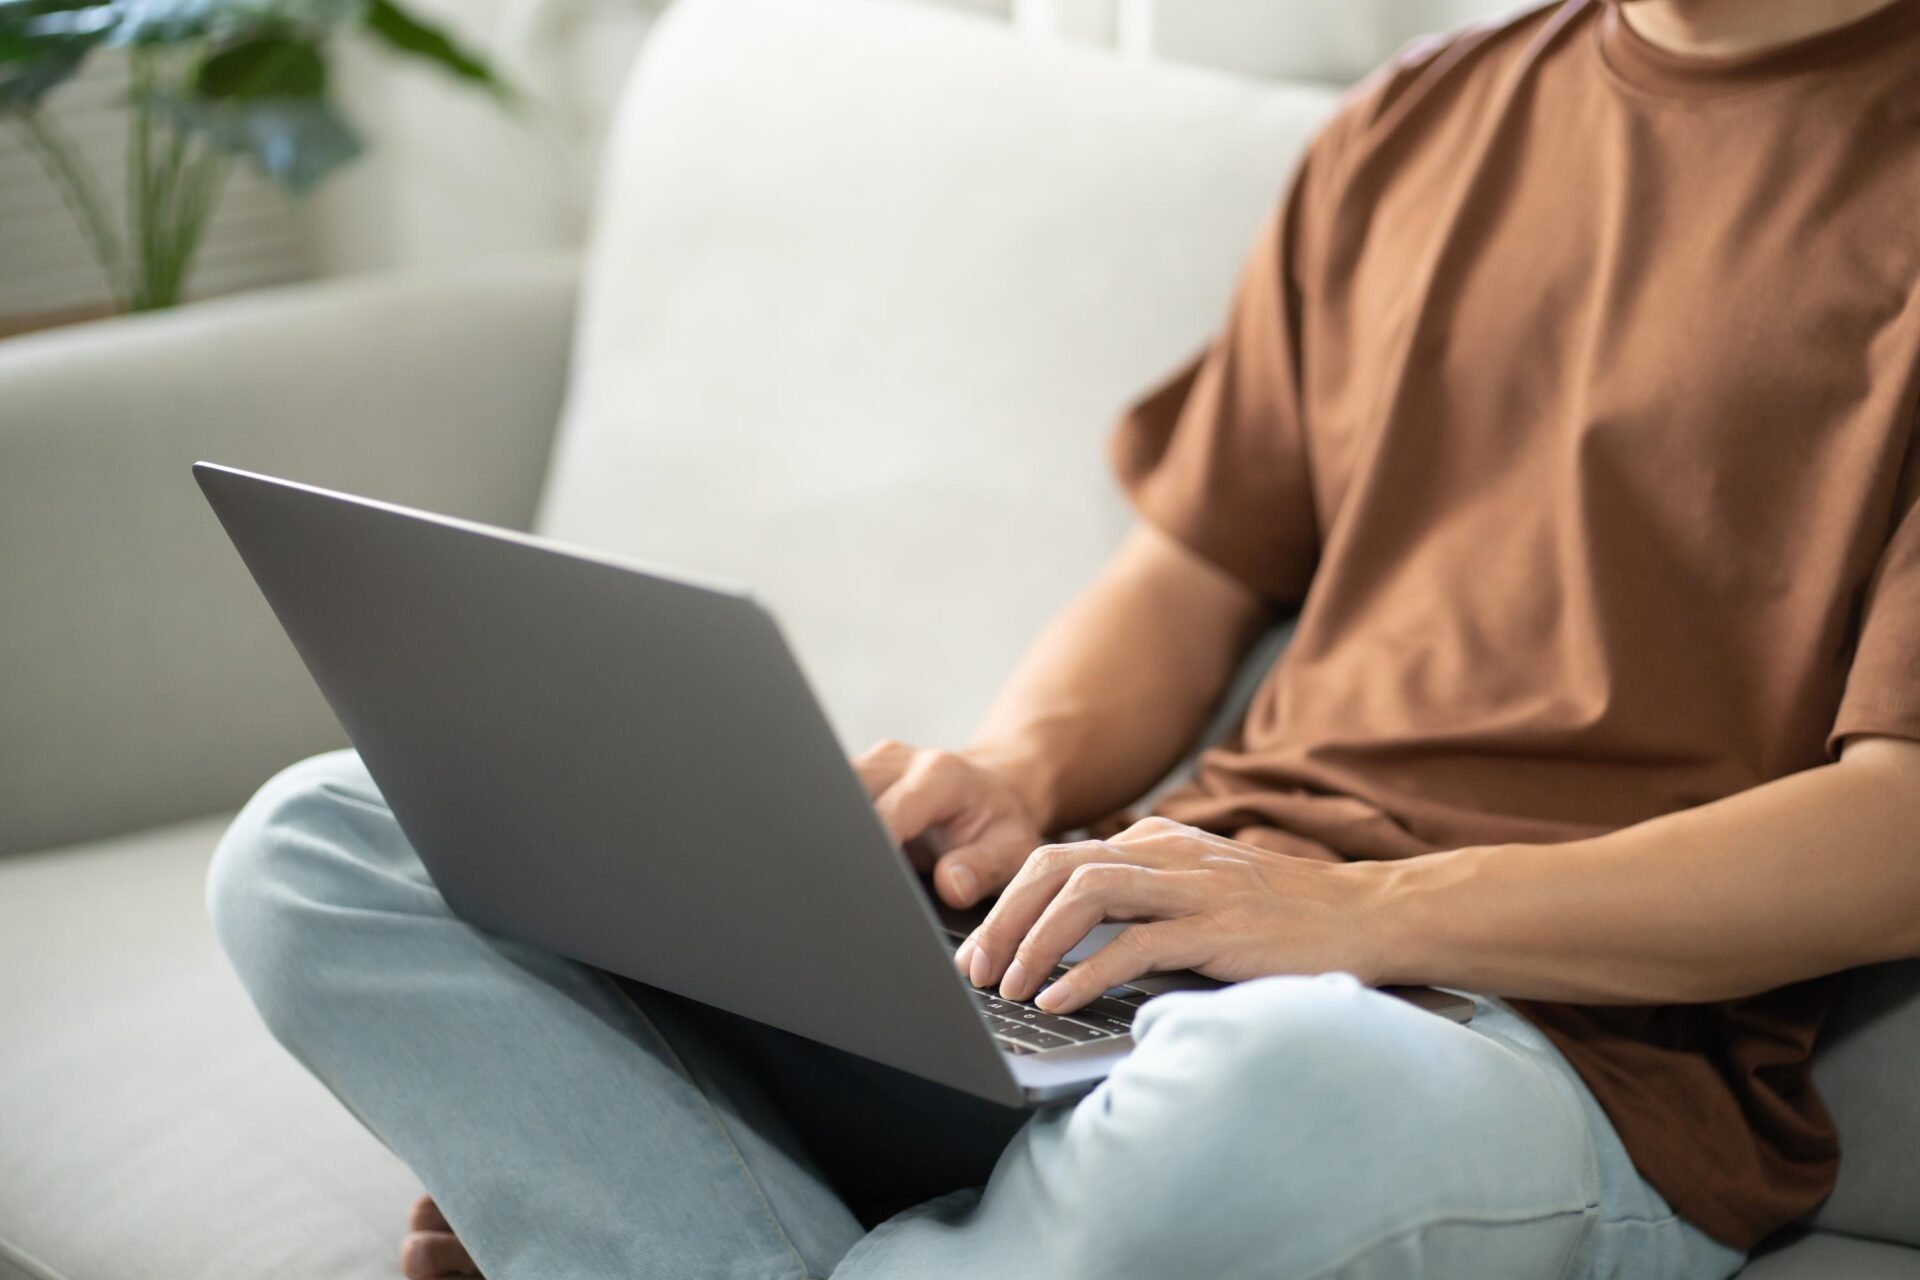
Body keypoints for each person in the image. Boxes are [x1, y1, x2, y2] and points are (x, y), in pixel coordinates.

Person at [207, 0, 1920, 1276]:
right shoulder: (1432, 114)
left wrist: (1355, 918)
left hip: (1516, 1049)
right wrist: (1018, 770)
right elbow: (1188, 571)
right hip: (1133, 952)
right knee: (328, 841)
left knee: (1293, 1092)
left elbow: (1895, 834)